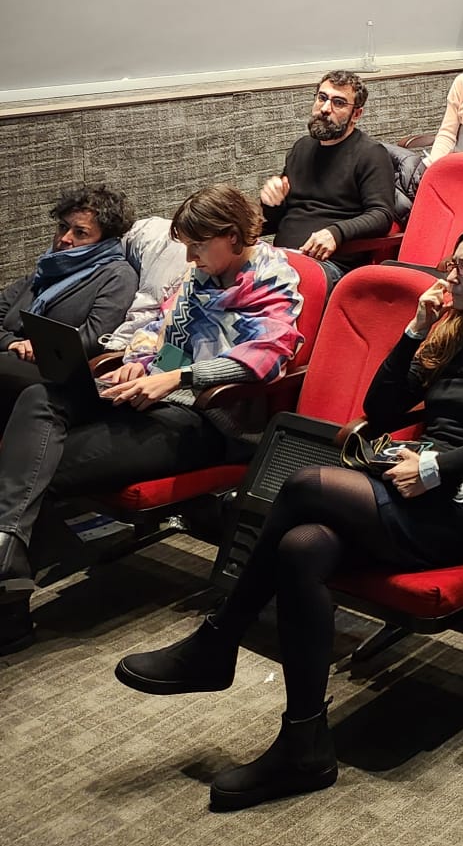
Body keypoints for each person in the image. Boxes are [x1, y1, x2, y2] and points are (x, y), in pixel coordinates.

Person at [114, 222, 463, 807]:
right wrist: (414, 331)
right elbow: (380, 409)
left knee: (304, 484)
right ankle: (303, 746)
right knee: (302, 548)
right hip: (410, 488)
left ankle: (217, 640)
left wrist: (439, 467)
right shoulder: (456, 331)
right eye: (450, 263)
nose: (449, 275)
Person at [0, 186, 302, 649]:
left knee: (32, 465)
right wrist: (137, 363)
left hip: (206, 419)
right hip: (151, 394)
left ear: (232, 237)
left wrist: (176, 378)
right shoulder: (200, 277)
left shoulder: (271, 280)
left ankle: (10, 600)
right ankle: (6, 551)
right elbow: (162, 331)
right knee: (43, 398)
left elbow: (266, 357)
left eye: (197, 245)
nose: (189, 255)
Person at [0, 186, 138, 413]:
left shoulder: (116, 275)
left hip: (62, 375)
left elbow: (94, 339)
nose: (65, 239)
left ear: (105, 240)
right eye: (63, 227)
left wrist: (38, 347)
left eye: (80, 233)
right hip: (13, 358)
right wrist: (13, 342)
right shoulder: (46, 269)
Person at [259, 72, 396, 282]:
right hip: (283, 258)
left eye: (338, 103)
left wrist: (335, 233)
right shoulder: (302, 147)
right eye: (322, 98)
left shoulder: (371, 154)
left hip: (330, 266)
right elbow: (279, 219)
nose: (324, 109)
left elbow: (381, 215)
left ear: (356, 114)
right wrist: (272, 201)